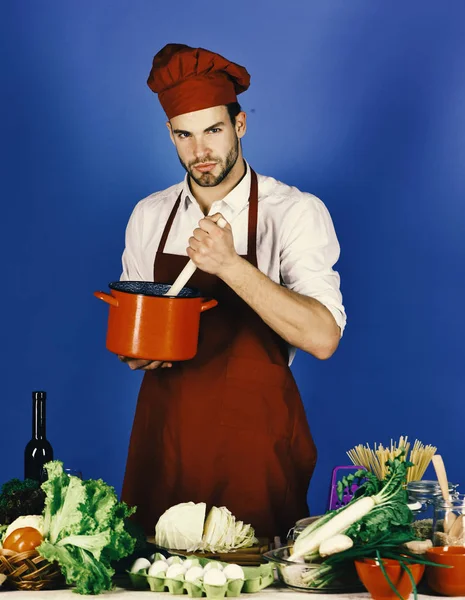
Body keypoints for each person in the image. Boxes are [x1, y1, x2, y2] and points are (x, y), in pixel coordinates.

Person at [119, 43, 346, 540]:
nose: (200, 151)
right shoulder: (149, 216)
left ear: (239, 125)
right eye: (185, 135)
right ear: (170, 135)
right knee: (149, 579)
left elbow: (323, 338)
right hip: (166, 435)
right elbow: (138, 326)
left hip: (254, 439)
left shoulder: (294, 212)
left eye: (214, 131)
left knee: (254, 579)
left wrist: (230, 265)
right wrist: (136, 350)